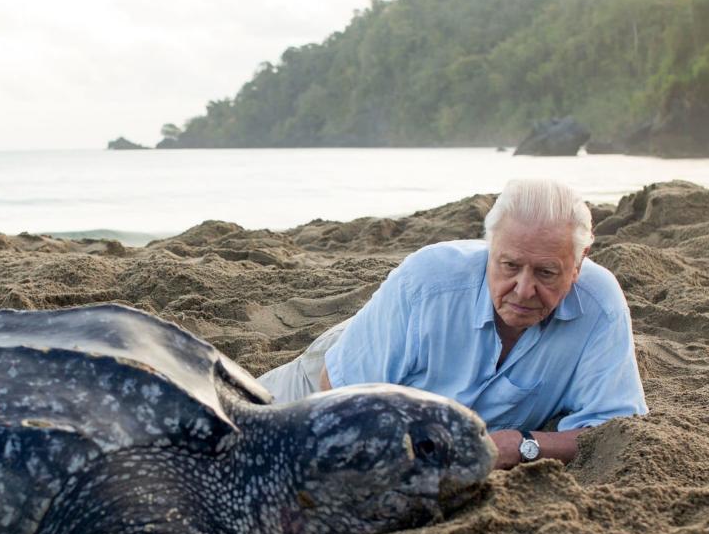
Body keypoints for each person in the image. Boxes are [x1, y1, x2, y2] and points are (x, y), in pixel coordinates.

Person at [258, 178, 647, 469]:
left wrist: (523, 444)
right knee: (234, 426)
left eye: (546, 273)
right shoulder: (428, 281)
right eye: (509, 266)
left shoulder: (600, 306)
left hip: (441, 422)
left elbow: (614, 431)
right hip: (341, 368)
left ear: (578, 266)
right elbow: (338, 393)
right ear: (489, 249)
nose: (524, 289)